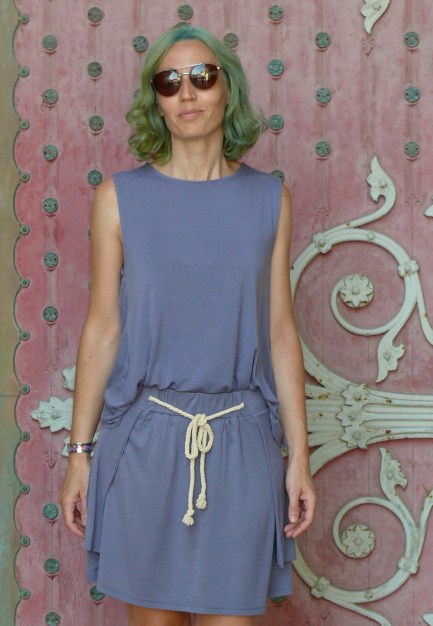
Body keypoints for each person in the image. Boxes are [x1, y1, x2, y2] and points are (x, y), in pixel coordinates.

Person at [60, 22, 317, 626]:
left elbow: (281, 333)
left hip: (241, 440)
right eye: (169, 82)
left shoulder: (269, 198)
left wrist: (299, 457)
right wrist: (79, 454)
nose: (187, 93)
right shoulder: (119, 198)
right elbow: (103, 328)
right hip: (145, 444)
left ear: (228, 89)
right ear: (156, 100)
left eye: (202, 76)